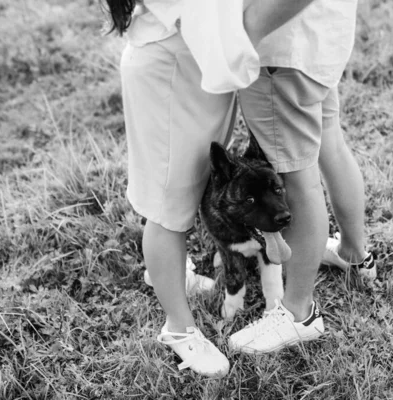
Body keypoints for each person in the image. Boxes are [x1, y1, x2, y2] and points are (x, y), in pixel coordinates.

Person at [103, 0, 318, 378]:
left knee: (199, 185)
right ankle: (179, 329)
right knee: (169, 210)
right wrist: (247, 34)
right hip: (172, 74)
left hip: (203, 70)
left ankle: (168, 273)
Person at [228, 0, 376, 354]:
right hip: (318, 38)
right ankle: (355, 255)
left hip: (279, 47)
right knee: (330, 144)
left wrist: (248, 29)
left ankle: (298, 314)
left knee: (296, 179)